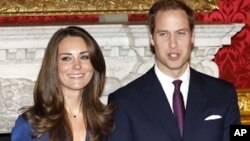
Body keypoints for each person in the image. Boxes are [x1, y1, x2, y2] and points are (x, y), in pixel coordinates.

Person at [108, 0, 241, 141]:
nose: (173, 44)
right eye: (163, 34)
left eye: (181, 33)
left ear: (192, 36)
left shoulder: (225, 94)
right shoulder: (122, 101)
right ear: (152, 38)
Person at [11, 26, 114, 141]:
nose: (77, 65)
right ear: (53, 66)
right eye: (66, 58)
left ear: (94, 63)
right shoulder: (30, 125)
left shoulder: (107, 121)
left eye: (84, 57)